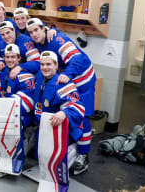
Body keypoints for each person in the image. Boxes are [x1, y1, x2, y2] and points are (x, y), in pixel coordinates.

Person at [27, 18, 96, 175]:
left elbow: (79, 58)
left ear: (44, 28)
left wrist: (67, 74)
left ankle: (83, 155)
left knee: (82, 115)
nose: (34, 34)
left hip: (82, 79)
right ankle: (71, 145)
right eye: (30, 32)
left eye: (36, 30)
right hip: (66, 78)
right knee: (64, 112)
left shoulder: (57, 39)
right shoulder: (41, 41)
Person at [31, 51, 85, 190]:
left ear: (56, 66)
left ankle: (73, 151)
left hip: (61, 132)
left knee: (55, 165)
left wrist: (64, 113)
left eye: (49, 64)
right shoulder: (40, 78)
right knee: (39, 157)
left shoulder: (63, 83)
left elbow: (77, 106)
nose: (45, 67)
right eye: (42, 64)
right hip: (44, 128)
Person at [0, 44, 35, 128]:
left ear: (19, 58)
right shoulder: (3, 71)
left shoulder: (26, 76)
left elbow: (27, 103)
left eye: (13, 57)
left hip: (22, 115)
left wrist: (1, 108)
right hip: (6, 110)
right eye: (7, 57)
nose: (9, 60)